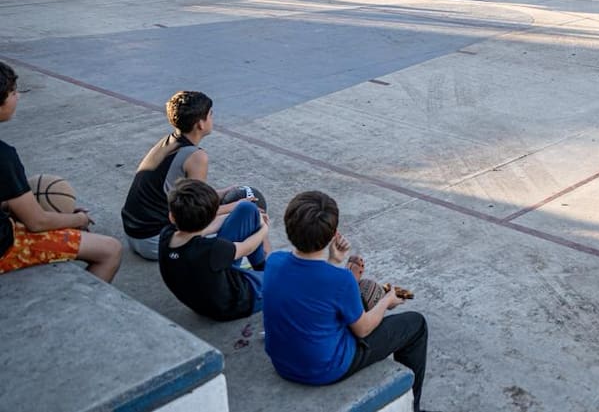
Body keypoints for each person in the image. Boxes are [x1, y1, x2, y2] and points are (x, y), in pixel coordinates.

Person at [263, 191, 428, 409]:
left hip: (282, 363)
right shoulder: (341, 280)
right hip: (325, 369)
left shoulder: (273, 262)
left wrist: (333, 260)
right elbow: (363, 330)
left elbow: (311, 287)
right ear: (333, 234)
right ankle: (414, 408)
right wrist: (387, 301)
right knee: (416, 324)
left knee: (351, 301)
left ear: (288, 225)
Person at [0, 61, 122, 282]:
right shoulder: (4, 156)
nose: (18, 97)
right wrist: (78, 219)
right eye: (13, 93)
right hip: (3, 248)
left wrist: (10, 205)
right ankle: (82, 303)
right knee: (110, 250)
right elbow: (37, 222)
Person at [122, 91, 252, 260]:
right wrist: (235, 207)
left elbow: (190, 196)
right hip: (156, 241)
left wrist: (223, 193)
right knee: (240, 219)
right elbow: (197, 212)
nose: (212, 118)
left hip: (135, 233)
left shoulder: (168, 142)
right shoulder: (196, 156)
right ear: (200, 124)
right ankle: (239, 262)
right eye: (210, 114)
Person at [159, 179, 270, 321]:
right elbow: (248, 247)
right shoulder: (213, 250)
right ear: (212, 216)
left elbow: (208, 228)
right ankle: (267, 276)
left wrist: (245, 214)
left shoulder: (167, 235)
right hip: (232, 305)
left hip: (202, 295)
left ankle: (262, 268)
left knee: (247, 209)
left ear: (172, 217)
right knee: (285, 277)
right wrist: (264, 227)